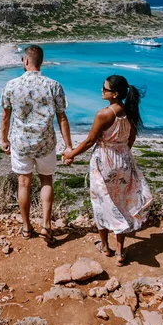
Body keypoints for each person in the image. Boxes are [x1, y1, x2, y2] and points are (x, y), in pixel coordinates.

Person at [63, 74, 152, 266]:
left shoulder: (104, 114)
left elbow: (90, 141)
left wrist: (71, 154)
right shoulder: (130, 111)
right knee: (121, 203)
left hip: (104, 161)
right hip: (124, 160)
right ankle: (120, 252)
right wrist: (122, 151)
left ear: (115, 94)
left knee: (101, 203)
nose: (101, 91)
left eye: (105, 89)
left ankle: (105, 247)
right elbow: (131, 138)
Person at [0, 44, 72, 244]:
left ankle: (26, 227)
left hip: (21, 142)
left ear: (25, 61)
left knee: (24, 183)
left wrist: (4, 140)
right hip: (45, 142)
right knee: (46, 181)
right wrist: (68, 146)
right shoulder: (53, 85)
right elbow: (62, 118)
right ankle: (47, 226)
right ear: (41, 62)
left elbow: (6, 117)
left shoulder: (11, 85)